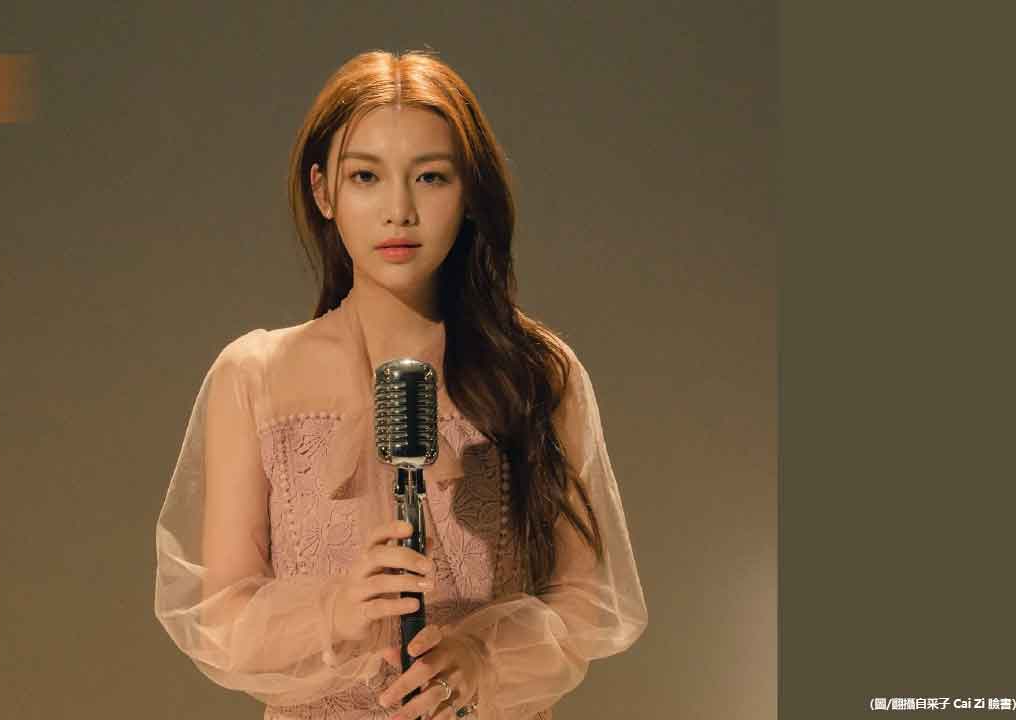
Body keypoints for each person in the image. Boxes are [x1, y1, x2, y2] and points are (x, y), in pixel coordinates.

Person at [154, 49, 648, 720]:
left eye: (430, 177)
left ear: (468, 193)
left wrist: (481, 658)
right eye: (366, 176)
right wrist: (338, 607)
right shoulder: (255, 376)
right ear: (323, 192)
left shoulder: (535, 372)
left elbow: (587, 603)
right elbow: (221, 618)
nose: (399, 210)